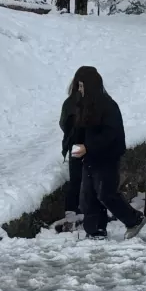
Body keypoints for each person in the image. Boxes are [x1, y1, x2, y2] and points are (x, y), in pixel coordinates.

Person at [67, 67, 146, 239]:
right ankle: (95, 231)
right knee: (88, 198)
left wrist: (88, 147)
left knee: (106, 194)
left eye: (82, 86)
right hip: (89, 159)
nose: (79, 90)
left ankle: (134, 220)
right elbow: (80, 131)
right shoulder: (83, 106)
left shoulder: (108, 106)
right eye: (78, 86)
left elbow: (111, 133)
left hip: (107, 158)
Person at [59, 80, 86, 231]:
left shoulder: (70, 102)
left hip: (80, 144)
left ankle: (74, 213)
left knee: (79, 178)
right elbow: (64, 124)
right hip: (80, 144)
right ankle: (74, 214)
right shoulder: (75, 102)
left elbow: (63, 123)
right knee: (79, 178)